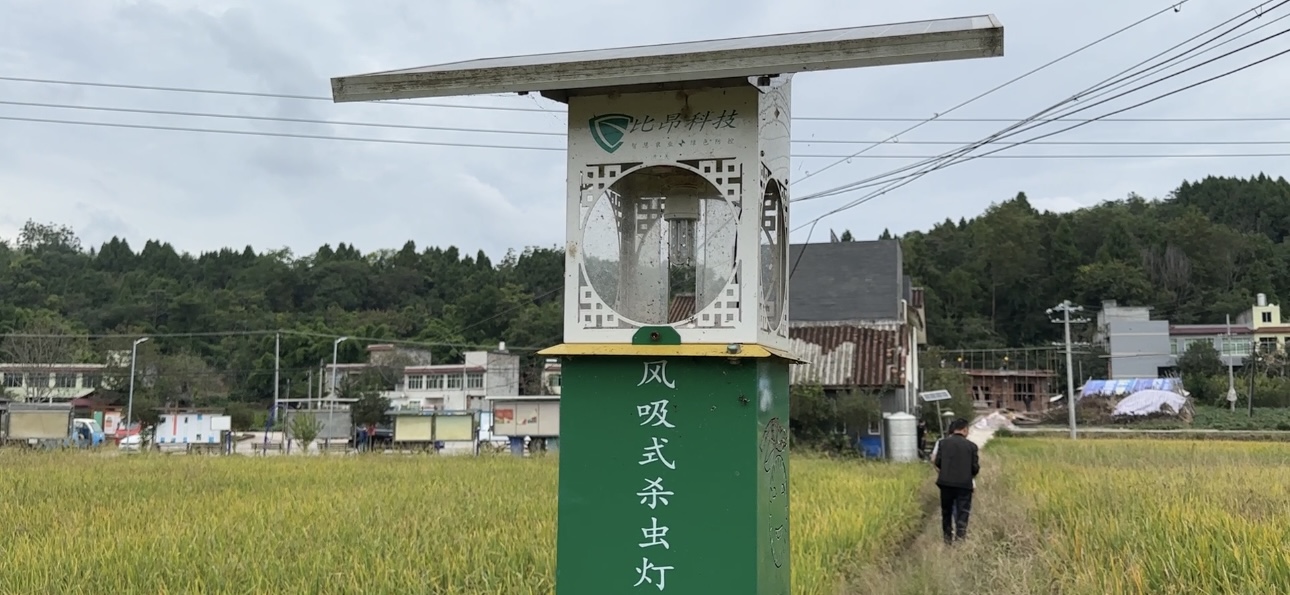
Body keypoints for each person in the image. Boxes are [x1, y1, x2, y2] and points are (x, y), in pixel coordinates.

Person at [932, 417, 979, 545]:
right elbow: (975, 468)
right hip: (964, 485)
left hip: (945, 484)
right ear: (965, 430)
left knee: (946, 512)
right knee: (963, 512)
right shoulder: (972, 446)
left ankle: (947, 541)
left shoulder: (943, 443)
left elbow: (938, 462)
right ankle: (960, 539)